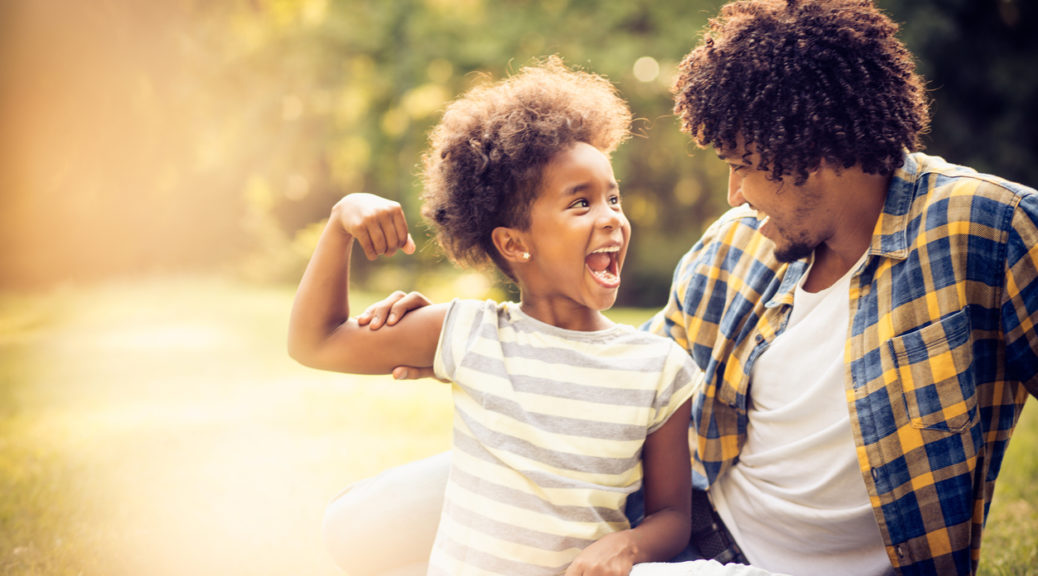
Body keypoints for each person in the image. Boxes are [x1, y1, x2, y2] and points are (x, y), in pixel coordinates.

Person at [328, 1, 1038, 575]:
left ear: (810, 146)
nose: (734, 191)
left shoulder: (986, 228)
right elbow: (632, 366)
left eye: (741, 164)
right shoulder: (735, 247)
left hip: (767, 565)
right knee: (359, 529)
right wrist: (469, 342)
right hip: (673, 513)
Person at [288, 58, 701, 576]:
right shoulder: (468, 333)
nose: (612, 217)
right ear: (514, 243)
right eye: (581, 203)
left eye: (613, 198)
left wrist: (631, 547)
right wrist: (340, 221)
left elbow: (670, 516)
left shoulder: (659, 367)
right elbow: (316, 342)